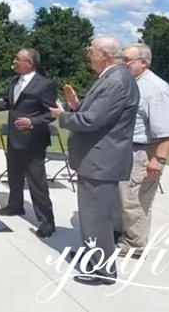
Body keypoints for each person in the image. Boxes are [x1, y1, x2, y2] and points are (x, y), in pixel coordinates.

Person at [49, 36, 139, 286]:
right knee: (91, 215)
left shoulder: (117, 81)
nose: (88, 54)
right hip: (97, 159)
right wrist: (75, 105)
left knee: (97, 217)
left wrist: (63, 116)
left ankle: (104, 270)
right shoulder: (112, 78)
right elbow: (95, 114)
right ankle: (92, 257)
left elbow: (92, 121)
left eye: (92, 50)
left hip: (102, 161)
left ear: (106, 55)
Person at [116, 44, 169, 256]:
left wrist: (159, 160)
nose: (122, 64)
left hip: (143, 152)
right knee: (121, 198)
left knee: (134, 200)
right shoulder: (131, 83)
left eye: (127, 60)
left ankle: (134, 244)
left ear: (143, 62)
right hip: (124, 149)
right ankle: (121, 233)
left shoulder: (156, 89)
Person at [0, 49, 58, 238]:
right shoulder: (14, 81)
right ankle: (15, 205)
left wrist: (32, 122)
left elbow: (51, 113)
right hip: (14, 138)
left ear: (29, 63)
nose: (14, 62)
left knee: (37, 182)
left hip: (33, 141)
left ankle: (47, 222)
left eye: (18, 59)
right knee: (14, 175)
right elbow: (9, 103)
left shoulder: (45, 85)